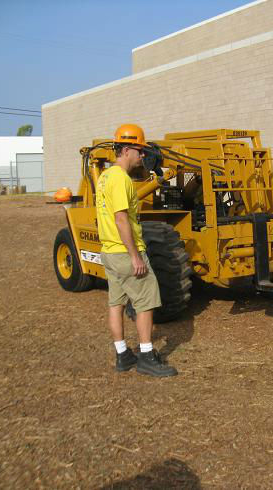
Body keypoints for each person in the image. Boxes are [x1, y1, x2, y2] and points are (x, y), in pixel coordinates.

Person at [96, 123, 178, 378]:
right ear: (128, 149)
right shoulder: (120, 179)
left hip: (109, 251)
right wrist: (135, 256)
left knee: (116, 302)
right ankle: (146, 356)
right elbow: (122, 219)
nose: (143, 156)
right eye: (140, 151)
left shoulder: (105, 177)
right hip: (124, 252)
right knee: (145, 301)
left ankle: (122, 355)